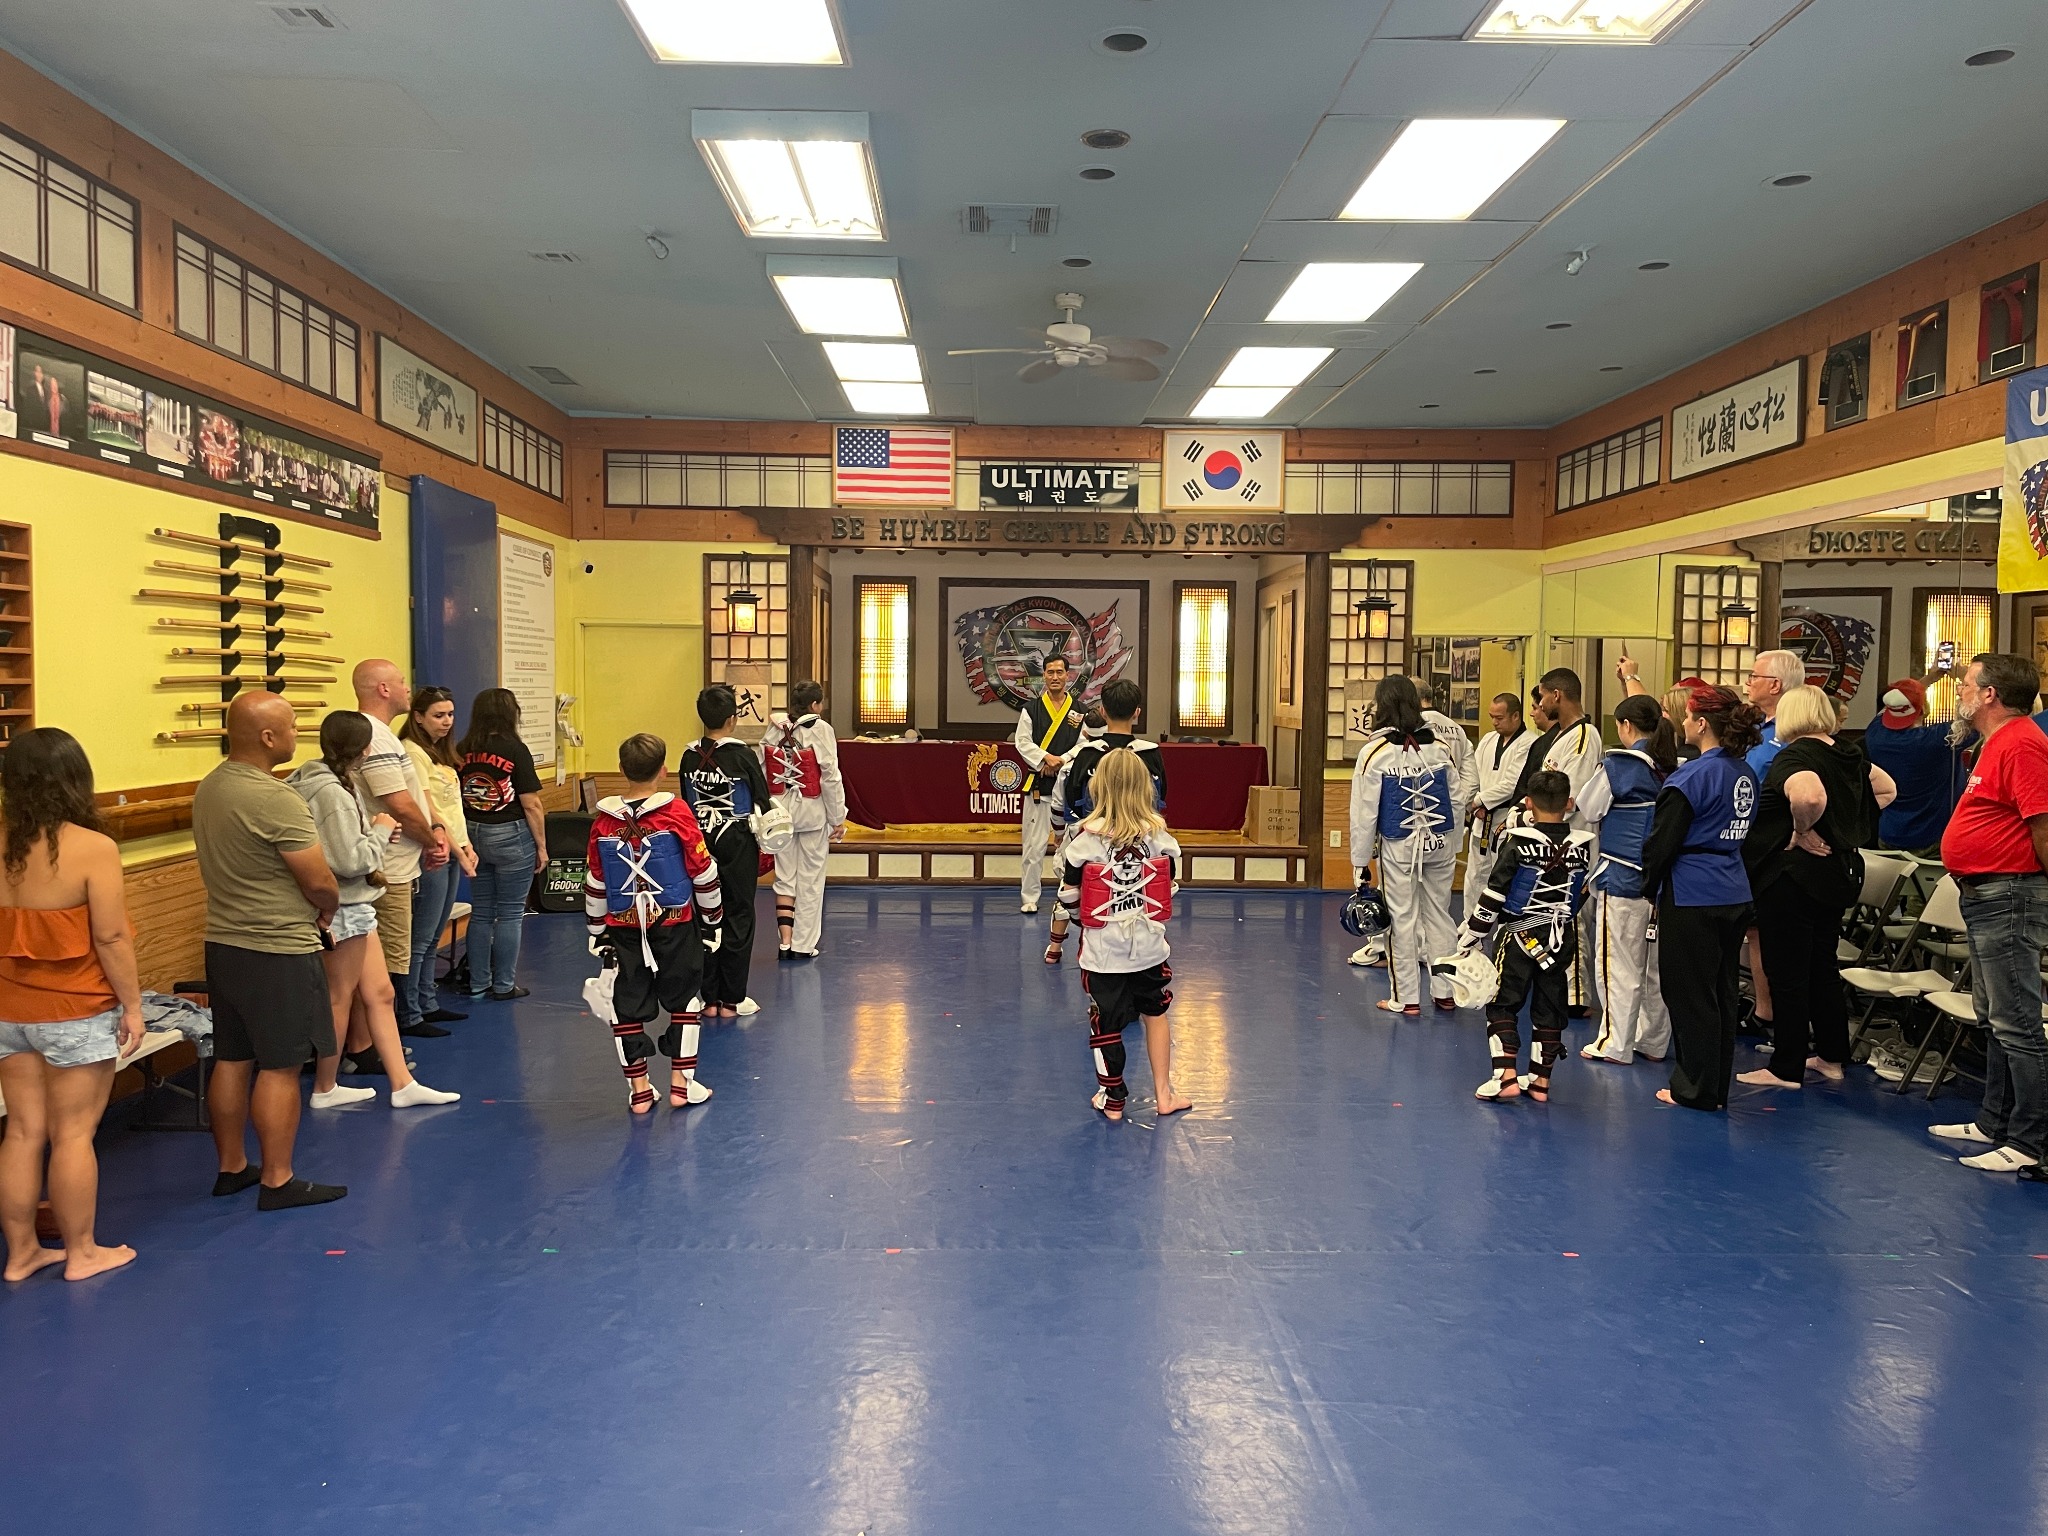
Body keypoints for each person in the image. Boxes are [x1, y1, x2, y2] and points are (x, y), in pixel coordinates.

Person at [193, 691, 347, 1209]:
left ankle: (232, 1166)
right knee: (281, 1065)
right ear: (266, 737)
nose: (295, 733)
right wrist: (327, 906)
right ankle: (277, 1180)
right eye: (291, 724)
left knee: (232, 1058)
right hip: (278, 947)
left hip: (225, 943)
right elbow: (320, 880)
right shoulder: (276, 798)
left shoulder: (211, 787)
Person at [0, 729, 141, 1282]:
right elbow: (110, 938)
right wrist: (132, 1006)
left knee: (21, 1132)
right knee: (74, 1134)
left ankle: (21, 1253)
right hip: (76, 1011)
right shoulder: (91, 846)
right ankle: (81, 1252)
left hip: (10, 1010)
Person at [288, 713, 459, 1109]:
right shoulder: (329, 792)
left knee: (380, 993)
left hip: (357, 905)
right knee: (339, 996)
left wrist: (377, 833)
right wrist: (380, 833)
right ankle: (325, 1087)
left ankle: (403, 1083)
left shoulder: (334, 784)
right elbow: (350, 861)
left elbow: (347, 844)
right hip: (343, 906)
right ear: (365, 750)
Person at [1735, 685, 1893, 1090]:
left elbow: (1808, 796)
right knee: (1822, 966)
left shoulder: (1797, 755)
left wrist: (1801, 829)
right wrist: (1845, 827)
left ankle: (1785, 1066)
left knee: (1787, 970)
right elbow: (1887, 789)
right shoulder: (1849, 752)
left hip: (1793, 877)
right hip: (1835, 875)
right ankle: (1830, 1055)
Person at [1928, 654, 2048, 1173]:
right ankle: (1994, 1121)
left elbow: (2042, 822)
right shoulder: (1998, 742)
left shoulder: (2021, 742)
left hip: (2010, 894)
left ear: (1991, 694)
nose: (1959, 691)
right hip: (1986, 893)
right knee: (1998, 1017)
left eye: (1965, 684)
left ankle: (2029, 1141)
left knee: (2018, 1021)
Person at [584, 733, 725, 1115]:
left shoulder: (603, 823)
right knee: (685, 1002)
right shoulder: (677, 813)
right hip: (675, 923)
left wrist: (597, 932)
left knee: (625, 1006)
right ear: (664, 771)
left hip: (624, 926)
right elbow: (703, 871)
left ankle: (640, 1093)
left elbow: (597, 883)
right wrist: (713, 920)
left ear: (620, 770)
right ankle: (682, 1085)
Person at [1638, 685, 1762, 1112]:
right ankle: (1714, 1087)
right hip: (1733, 886)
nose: (1684, 723)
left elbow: (1661, 843)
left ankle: (1692, 1088)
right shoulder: (1743, 772)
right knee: (1722, 991)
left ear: (1702, 723)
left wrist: (1646, 887)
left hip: (1692, 891)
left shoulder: (1690, 777)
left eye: (1689, 717)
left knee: (1689, 994)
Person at [1055, 748, 1189, 1121]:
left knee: (1105, 1021)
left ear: (1097, 788)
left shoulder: (1084, 842)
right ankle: (1164, 1094)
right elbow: (1171, 888)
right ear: (1146, 788)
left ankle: (1113, 1099)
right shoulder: (1162, 838)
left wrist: (1085, 921)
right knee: (1155, 1013)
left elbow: (1068, 896)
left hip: (1102, 952)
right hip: (1149, 948)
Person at [1463, 770, 1595, 1103]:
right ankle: (1539, 1083)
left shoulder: (1519, 843)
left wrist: (1473, 933)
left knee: (1502, 1001)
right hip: (1561, 938)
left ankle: (1505, 1076)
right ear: (1569, 804)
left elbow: (1494, 892)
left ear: (1528, 803)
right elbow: (1582, 892)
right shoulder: (1582, 848)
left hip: (1519, 935)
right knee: (1550, 1005)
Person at [1350, 675, 1466, 1014]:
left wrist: (1360, 862)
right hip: (1441, 841)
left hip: (1399, 845)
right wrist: (1452, 843)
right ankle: (1446, 992)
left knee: (1401, 917)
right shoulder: (1439, 748)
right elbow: (1456, 800)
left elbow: (1364, 813)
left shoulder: (1375, 752)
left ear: (1382, 707)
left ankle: (1407, 997)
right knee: (1440, 916)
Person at [1577, 694, 1678, 1066]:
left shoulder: (1620, 766)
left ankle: (1615, 1042)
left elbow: (1588, 808)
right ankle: (1652, 1040)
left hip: (1621, 876)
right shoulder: (1673, 764)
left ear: (1625, 726)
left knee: (1617, 963)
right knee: (1652, 965)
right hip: (1663, 880)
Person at [350, 660, 449, 1038]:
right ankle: (373, 1041)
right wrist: (431, 840)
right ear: (383, 690)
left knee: (396, 956)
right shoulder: (373, 737)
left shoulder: (385, 736)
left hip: (401, 864)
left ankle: (378, 1037)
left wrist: (434, 831)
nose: (408, 689)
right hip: (386, 867)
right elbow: (398, 803)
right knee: (386, 965)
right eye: (402, 682)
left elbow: (415, 799)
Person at [1047, 681, 1165, 967]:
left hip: (1090, 849)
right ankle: (1140, 963)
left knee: (1076, 896)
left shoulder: (1085, 755)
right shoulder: (1150, 755)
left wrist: (1062, 834)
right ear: (1137, 713)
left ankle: (1056, 949)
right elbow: (1159, 807)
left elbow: (1067, 803)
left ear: (1102, 710)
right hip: (1141, 850)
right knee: (1141, 904)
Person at [681, 686, 771, 1018]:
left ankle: (709, 998)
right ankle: (732, 999)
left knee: (705, 915)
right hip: (736, 842)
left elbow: (687, 802)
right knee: (739, 914)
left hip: (699, 845)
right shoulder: (743, 755)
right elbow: (763, 800)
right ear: (733, 719)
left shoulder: (688, 756)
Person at [457, 687, 548, 1000]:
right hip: (510, 834)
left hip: (472, 833)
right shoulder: (514, 749)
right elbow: (531, 803)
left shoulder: (462, 748)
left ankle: (478, 983)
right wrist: (542, 847)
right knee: (509, 913)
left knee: (481, 912)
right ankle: (504, 985)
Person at [397, 686, 476, 1026]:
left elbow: (452, 807)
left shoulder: (439, 753)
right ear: (418, 717)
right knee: (422, 936)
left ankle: (427, 1002)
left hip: (452, 848)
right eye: (438, 715)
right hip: (432, 850)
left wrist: (466, 842)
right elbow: (427, 807)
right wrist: (457, 848)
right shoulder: (412, 752)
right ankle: (410, 1011)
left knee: (433, 935)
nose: (447, 722)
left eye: (450, 714)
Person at [760, 682, 845, 960]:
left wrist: (764, 811)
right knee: (810, 878)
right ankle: (803, 945)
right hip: (811, 811)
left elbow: (763, 769)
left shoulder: (775, 727)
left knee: (785, 877)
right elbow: (830, 775)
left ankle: (784, 942)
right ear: (814, 705)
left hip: (779, 810)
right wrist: (837, 817)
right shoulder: (820, 729)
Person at [1014, 655, 1085, 914]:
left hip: (1067, 786)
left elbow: (1083, 744)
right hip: (1039, 785)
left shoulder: (1079, 710)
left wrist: (1062, 760)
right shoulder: (1031, 709)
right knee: (1033, 846)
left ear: (1068, 675)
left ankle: (1067, 895)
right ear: (1043, 675)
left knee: (1071, 846)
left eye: (1060, 672)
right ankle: (1029, 897)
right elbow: (1022, 742)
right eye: (1050, 672)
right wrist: (1045, 758)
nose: (1055, 677)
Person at [1867, 677, 1970, 854]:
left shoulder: (1874, 733)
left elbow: (1894, 705)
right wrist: (1967, 686)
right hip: (1933, 839)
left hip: (1889, 835)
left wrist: (1929, 677)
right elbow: (1977, 720)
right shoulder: (1937, 739)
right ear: (1923, 710)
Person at [1463, 692, 1533, 917]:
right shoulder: (1487, 740)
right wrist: (1473, 801)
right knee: (1474, 876)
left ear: (1516, 716)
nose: (1494, 722)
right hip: (1480, 819)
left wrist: (1479, 800)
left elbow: (1512, 784)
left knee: (1503, 879)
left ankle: (1502, 930)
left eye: (1499, 718)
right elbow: (1473, 773)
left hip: (1505, 819)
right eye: (1492, 717)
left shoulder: (1529, 743)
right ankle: (1468, 928)